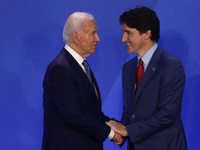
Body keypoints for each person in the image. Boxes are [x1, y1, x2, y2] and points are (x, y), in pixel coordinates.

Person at [106, 6, 187, 150]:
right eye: (123, 32)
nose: (123, 39)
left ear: (147, 34)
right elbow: (129, 111)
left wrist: (128, 131)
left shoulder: (171, 65)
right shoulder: (129, 67)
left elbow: (167, 114)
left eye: (128, 33)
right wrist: (122, 133)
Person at [42, 12, 122, 150]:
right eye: (93, 33)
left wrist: (111, 123)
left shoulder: (79, 65)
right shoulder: (59, 68)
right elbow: (75, 116)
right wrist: (111, 133)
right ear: (76, 37)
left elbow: (88, 109)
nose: (98, 38)